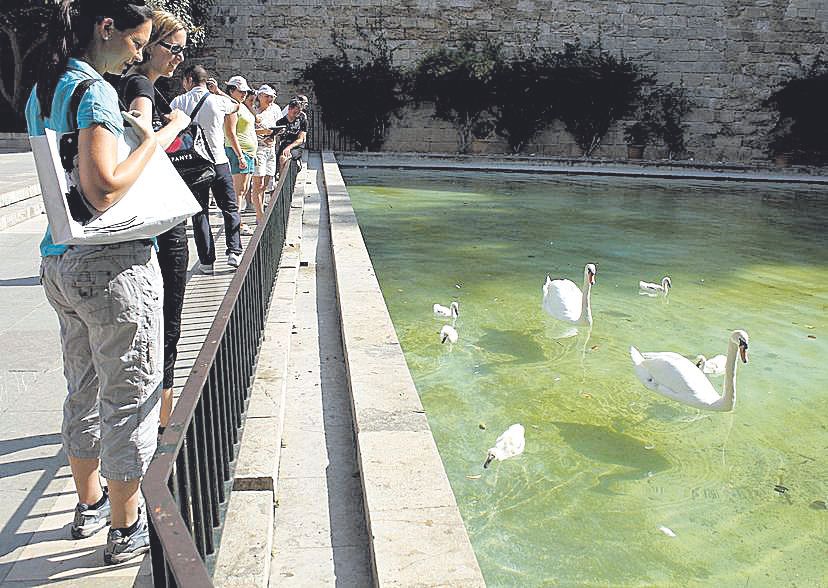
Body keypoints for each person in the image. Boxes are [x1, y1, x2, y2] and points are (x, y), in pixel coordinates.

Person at [25, 0, 180, 565]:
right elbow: (103, 190)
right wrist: (153, 142)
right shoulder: (94, 92)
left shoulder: (45, 86)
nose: (139, 53)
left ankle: (88, 504)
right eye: (136, 42)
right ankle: (125, 525)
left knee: (83, 387)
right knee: (130, 397)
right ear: (105, 27)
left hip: (60, 262)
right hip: (109, 265)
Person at [118, 10, 190, 439]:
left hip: (158, 220)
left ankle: (160, 416)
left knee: (163, 321)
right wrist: (177, 125)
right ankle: (163, 425)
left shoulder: (140, 86)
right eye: (173, 48)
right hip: (161, 224)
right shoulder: (141, 87)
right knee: (169, 322)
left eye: (184, 50)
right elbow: (145, 141)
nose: (179, 58)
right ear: (147, 45)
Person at [170, 65, 243, 272]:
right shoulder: (218, 101)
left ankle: (207, 261)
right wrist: (218, 91)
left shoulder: (178, 101)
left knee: (200, 213)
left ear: (189, 80)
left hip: (193, 165)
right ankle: (234, 251)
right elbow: (236, 105)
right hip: (218, 162)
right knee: (229, 208)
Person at [222, 75, 257, 236]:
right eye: (240, 91)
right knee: (239, 191)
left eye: (245, 91)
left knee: (243, 189)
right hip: (239, 152)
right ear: (231, 90)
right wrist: (240, 156)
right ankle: (236, 224)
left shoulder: (239, 105)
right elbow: (230, 133)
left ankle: (237, 221)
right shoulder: (232, 107)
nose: (244, 94)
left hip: (247, 152)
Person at [251, 84, 280, 223]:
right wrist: (264, 133)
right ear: (260, 96)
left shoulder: (275, 109)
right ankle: (260, 216)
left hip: (271, 148)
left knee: (266, 182)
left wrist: (274, 134)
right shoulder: (253, 110)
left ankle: (260, 211)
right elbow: (247, 131)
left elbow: (280, 127)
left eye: (272, 97)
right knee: (258, 182)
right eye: (267, 97)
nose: (270, 99)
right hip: (258, 149)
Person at [274, 98, 308, 176]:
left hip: (295, 146)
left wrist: (288, 148)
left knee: (283, 158)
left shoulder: (302, 121)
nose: (297, 115)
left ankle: (282, 183)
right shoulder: (280, 122)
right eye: (295, 112)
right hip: (283, 145)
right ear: (289, 109)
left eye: (299, 113)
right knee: (278, 161)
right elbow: (277, 139)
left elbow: (301, 139)